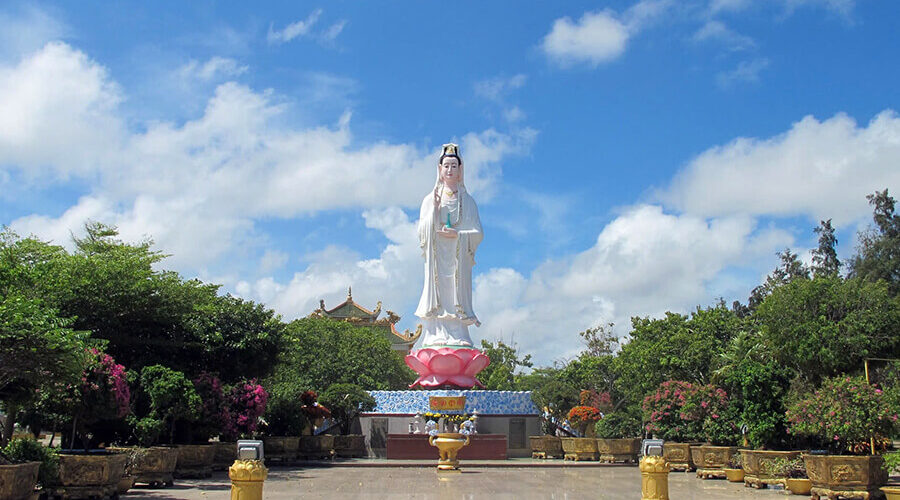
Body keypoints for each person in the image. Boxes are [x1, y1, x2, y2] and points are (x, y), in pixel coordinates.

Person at [415, 143, 483, 348]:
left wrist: (458, 234)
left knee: (455, 291)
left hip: (457, 256)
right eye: (446, 166)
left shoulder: (468, 201)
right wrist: (434, 211)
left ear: (460, 170)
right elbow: (421, 231)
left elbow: (478, 232)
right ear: (440, 169)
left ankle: (458, 332)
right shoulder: (430, 199)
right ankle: (436, 332)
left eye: (454, 166)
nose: (450, 170)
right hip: (437, 257)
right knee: (439, 291)